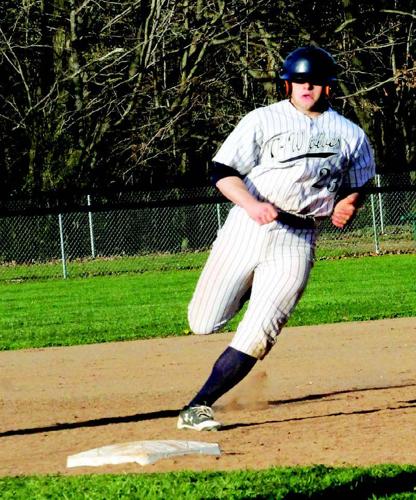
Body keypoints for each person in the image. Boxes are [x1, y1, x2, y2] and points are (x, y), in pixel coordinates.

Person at [177, 46, 376, 431]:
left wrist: (349, 204)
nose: (306, 87)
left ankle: (198, 405)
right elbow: (222, 170)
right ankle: (249, 285)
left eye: (314, 81)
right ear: (287, 84)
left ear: (328, 86)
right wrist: (250, 204)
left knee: (260, 331)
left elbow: (358, 182)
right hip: (249, 227)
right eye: (299, 80)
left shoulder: (350, 134)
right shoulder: (263, 120)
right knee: (204, 321)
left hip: (297, 239)